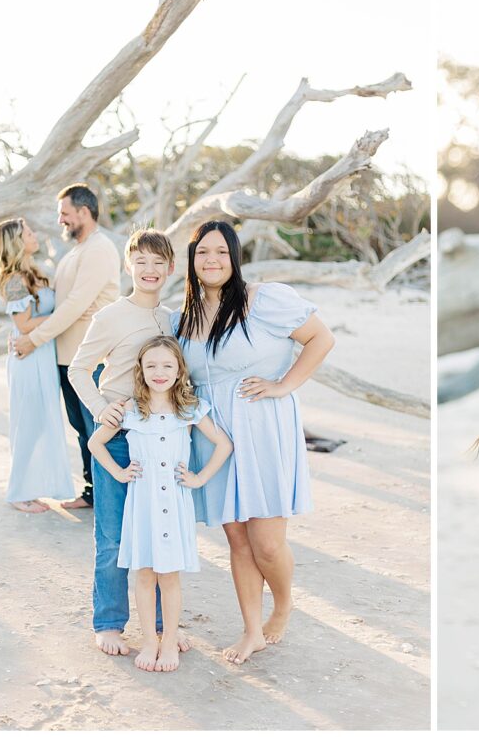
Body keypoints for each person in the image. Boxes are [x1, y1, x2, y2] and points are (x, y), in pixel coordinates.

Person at [174, 220, 335, 664]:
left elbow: (321, 338)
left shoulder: (264, 300)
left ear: (235, 258)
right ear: (191, 259)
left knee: (266, 541)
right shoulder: (184, 316)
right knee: (238, 540)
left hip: (263, 427)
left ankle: (283, 605)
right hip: (214, 437)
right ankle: (250, 630)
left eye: (222, 252)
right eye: (203, 252)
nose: (212, 260)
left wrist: (284, 385)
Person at [88, 336, 232, 672]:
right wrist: (120, 473)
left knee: (169, 576)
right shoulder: (130, 410)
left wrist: (198, 478)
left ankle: (168, 642)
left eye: (167, 365)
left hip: (174, 501)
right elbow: (96, 443)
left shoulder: (190, 408)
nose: (159, 371)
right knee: (144, 574)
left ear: (179, 370)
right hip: (143, 503)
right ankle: (149, 640)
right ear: (140, 370)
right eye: (151, 365)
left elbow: (223, 444)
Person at [68, 227, 179, 657]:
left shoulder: (171, 318)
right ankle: (110, 621)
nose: (149, 270)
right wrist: (101, 409)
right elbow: (79, 370)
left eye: (158, 262)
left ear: (170, 268)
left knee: (157, 532)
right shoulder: (111, 315)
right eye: (141, 261)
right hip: (117, 439)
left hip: (159, 440)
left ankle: (159, 626)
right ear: (127, 266)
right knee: (113, 535)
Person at [14, 183, 120, 509]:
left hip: (91, 359)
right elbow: (65, 305)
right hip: (65, 357)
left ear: (83, 212)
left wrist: (33, 339)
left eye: (65, 213)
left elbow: (75, 305)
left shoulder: (100, 249)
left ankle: (107, 499)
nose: (60, 219)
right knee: (81, 429)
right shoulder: (75, 252)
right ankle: (92, 493)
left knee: (98, 429)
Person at [0, 218, 76, 513]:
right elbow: (24, 325)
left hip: (43, 355)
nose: (34, 235)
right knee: (28, 424)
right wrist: (65, 315)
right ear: (17, 241)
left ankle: (31, 487)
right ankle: (17, 492)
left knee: (41, 422)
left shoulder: (34, 272)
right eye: (28, 233)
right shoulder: (14, 279)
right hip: (28, 358)